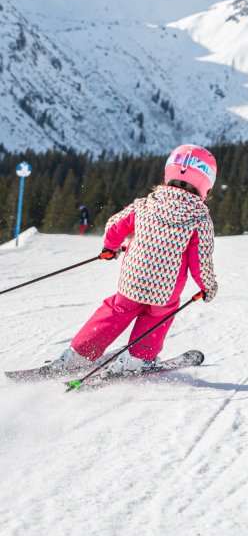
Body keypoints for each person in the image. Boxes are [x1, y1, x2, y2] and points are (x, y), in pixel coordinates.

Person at [48, 144, 218, 377]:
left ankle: (78, 355)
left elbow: (116, 225)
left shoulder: (147, 203)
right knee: (157, 318)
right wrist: (207, 286)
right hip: (165, 291)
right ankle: (137, 360)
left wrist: (110, 247)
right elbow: (201, 260)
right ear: (207, 181)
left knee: (116, 311)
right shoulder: (200, 218)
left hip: (132, 280)